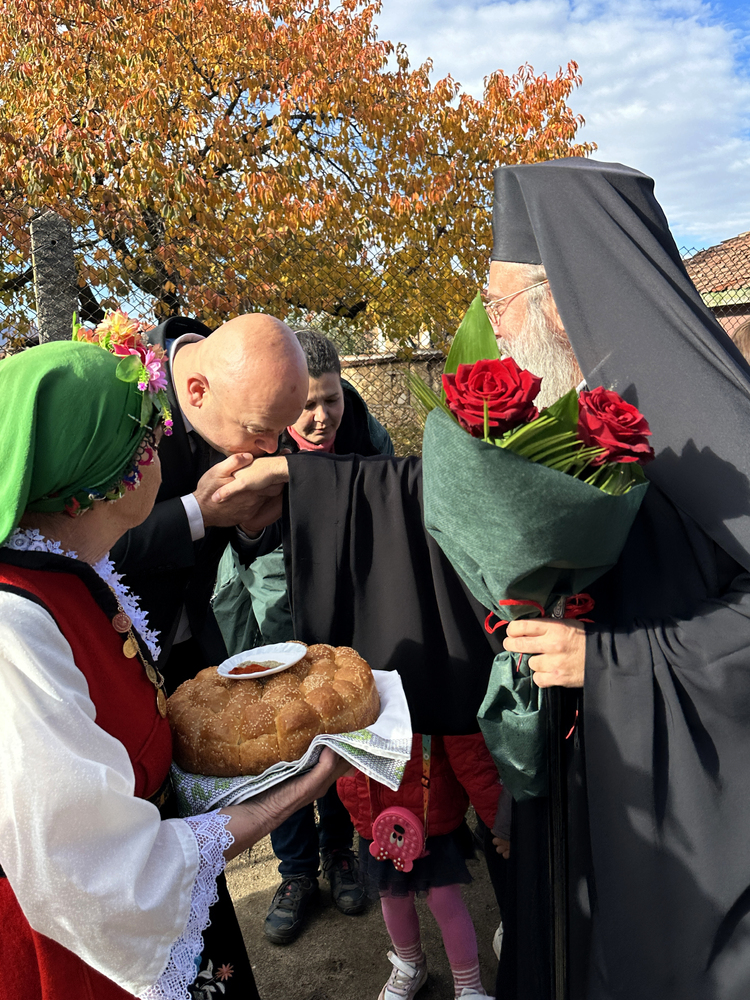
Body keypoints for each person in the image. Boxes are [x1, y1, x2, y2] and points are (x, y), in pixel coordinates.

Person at [213, 157, 750, 999]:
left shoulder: (721, 435)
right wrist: (298, 487)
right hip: (568, 777)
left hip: (676, 806)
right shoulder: (570, 407)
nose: (490, 328)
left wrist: (616, 664)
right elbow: (460, 498)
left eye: (497, 304)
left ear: (562, 304)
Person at [0, 339, 349, 998]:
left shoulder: (69, 567)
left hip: (155, 900)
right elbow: (96, 868)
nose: (168, 454)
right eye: (149, 444)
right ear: (93, 488)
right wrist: (290, 793)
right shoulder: (13, 630)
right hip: (89, 952)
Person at [212, 328, 394, 946]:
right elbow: (235, 538)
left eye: (331, 401)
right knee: (283, 743)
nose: (319, 418)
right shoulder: (250, 446)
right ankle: (295, 872)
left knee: (335, 727)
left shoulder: (368, 436)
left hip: (347, 609)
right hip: (275, 616)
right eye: (306, 406)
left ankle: (339, 849)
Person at [110, 312, 308, 693]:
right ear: (197, 391)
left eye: (280, 431)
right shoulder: (117, 390)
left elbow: (248, 544)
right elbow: (76, 543)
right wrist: (197, 513)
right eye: (258, 430)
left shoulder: (245, 388)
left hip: (200, 647)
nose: (272, 446)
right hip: (115, 655)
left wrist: (252, 527)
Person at [337, 732, 502, 1000]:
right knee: (392, 898)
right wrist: (359, 809)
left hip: (433, 817)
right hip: (380, 821)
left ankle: (469, 985)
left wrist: (495, 815)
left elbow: (467, 751)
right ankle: (410, 964)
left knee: (445, 900)